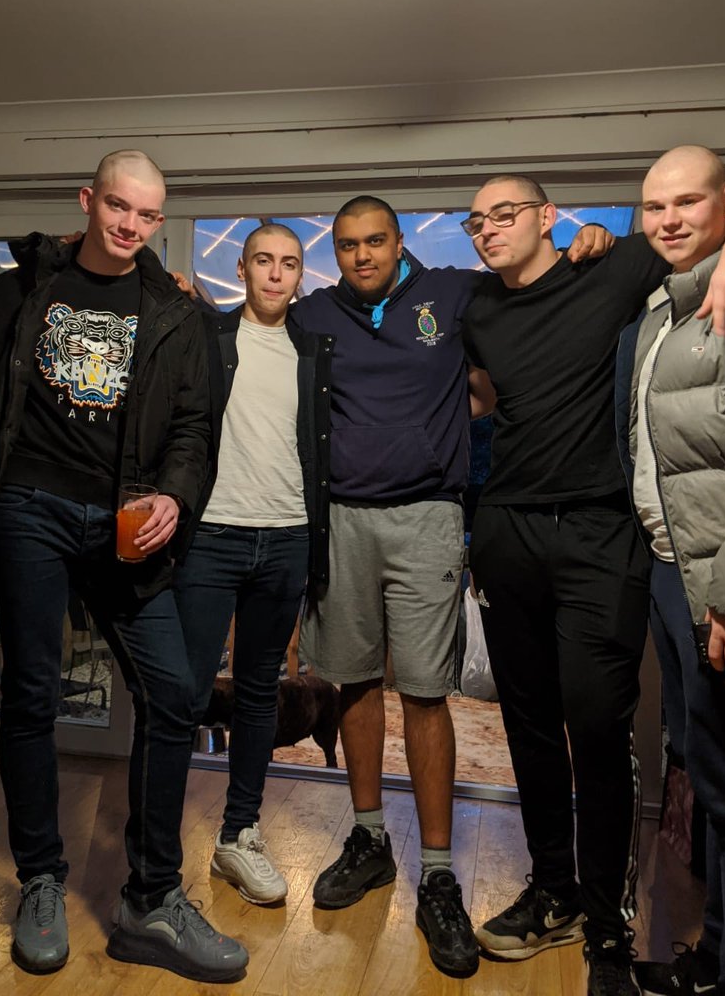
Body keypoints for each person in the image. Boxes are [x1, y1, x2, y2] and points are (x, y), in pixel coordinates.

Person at [461, 173, 725, 996]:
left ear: (549, 217)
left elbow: (714, 218)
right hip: (508, 532)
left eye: (506, 213)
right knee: (527, 727)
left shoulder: (618, 265)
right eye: (477, 221)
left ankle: (607, 925)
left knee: (596, 727)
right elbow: (482, 397)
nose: (490, 229)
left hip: (600, 536)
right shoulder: (476, 308)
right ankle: (552, 890)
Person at [0, 149, 248, 982]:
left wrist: (176, 496)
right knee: (31, 694)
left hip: (125, 519)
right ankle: (41, 881)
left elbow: (194, 425)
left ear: (159, 220)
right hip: (30, 507)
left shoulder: (175, 310)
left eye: (147, 214)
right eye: (118, 206)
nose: (131, 225)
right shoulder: (24, 287)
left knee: (174, 692)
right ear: (89, 200)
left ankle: (150, 899)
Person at [287, 195, 491, 979]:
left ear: (399, 242)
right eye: (347, 245)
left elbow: (522, 317)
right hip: (341, 518)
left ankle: (438, 874)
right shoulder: (315, 313)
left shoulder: (452, 293)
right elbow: (242, 336)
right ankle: (369, 838)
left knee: (428, 693)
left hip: (429, 516)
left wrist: (592, 247)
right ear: (333, 252)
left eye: (375, 241)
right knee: (353, 680)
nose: (363, 255)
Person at [622, 146, 725, 996]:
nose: (668, 219)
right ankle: (715, 959)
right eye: (654, 206)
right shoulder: (665, 307)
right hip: (673, 575)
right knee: (709, 775)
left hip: (722, 586)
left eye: (688, 202)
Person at [173, 222, 331, 905]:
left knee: (261, 689)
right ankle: (155, 849)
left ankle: (239, 835)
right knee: (182, 693)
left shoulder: (315, 349)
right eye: (262, 260)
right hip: (211, 536)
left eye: (288, 263)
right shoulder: (207, 337)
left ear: (301, 275)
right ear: (241, 269)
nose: (274, 273)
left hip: (287, 537)